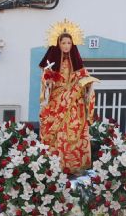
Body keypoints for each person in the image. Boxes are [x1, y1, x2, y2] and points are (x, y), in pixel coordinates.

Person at [38, 30, 95, 174]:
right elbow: (45, 81)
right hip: (56, 102)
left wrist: (87, 85)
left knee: (74, 131)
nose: (66, 45)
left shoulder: (77, 63)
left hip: (74, 103)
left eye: (69, 43)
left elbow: (85, 79)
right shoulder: (51, 64)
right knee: (57, 133)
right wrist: (49, 81)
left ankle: (74, 165)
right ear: (58, 44)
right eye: (63, 42)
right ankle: (56, 165)